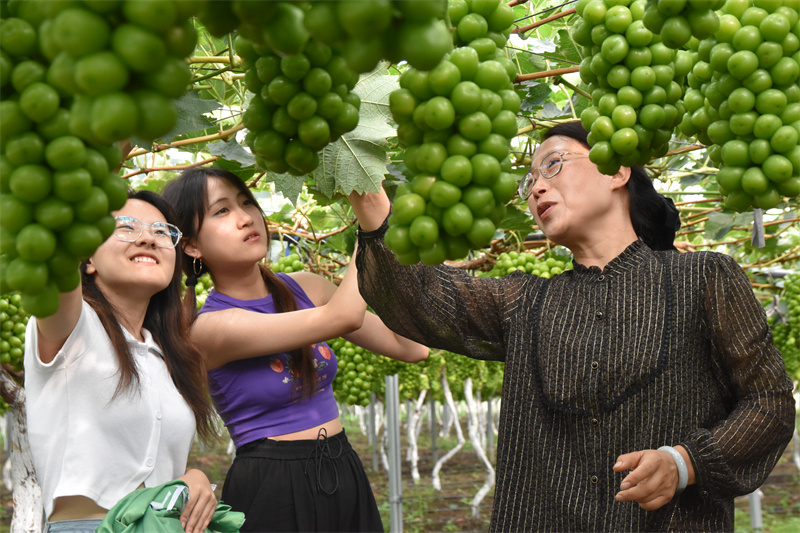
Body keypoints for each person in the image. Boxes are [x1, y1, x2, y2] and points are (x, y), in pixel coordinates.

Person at [348, 120, 796, 531]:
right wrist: (361, 181)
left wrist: (685, 463)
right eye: (530, 182)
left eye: (553, 165)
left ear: (616, 170)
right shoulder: (524, 302)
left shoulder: (704, 278)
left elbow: (770, 400)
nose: (537, 188)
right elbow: (419, 294)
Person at [161, 167, 428, 532]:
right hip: (274, 485)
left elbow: (411, 346)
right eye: (221, 211)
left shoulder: (307, 288)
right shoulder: (212, 327)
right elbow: (346, 316)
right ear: (191, 245)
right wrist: (373, 224)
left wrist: (400, 249)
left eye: (246, 203)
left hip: (343, 466)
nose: (245, 218)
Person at [24, 191, 219, 533]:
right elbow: (55, 241)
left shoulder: (169, 354)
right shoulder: (72, 326)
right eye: (125, 227)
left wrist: (194, 477)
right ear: (87, 260)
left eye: (162, 232)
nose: (147, 237)